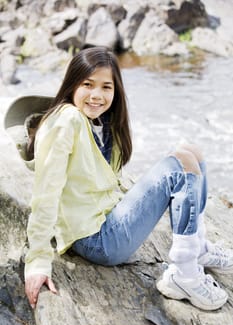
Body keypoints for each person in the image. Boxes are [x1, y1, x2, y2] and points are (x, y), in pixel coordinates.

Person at [24, 46, 233, 311]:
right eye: (88, 84)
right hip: (96, 240)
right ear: (72, 84)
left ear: (116, 90)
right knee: (180, 166)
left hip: (107, 220)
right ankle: (184, 274)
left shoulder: (102, 121)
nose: (97, 95)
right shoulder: (67, 121)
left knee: (192, 152)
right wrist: (37, 262)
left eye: (106, 87)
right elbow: (45, 193)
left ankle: (197, 247)